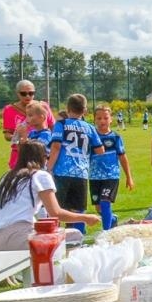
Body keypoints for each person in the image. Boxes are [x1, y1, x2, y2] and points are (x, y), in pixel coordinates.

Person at [0, 142, 99, 251]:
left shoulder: (6, 176)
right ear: (42, 158)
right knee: (74, 235)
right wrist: (86, 218)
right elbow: (56, 213)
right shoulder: (40, 175)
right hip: (18, 237)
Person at [47, 93, 103, 234]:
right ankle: (77, 238)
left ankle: (55, 238)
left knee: (56, 209)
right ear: (85, 110)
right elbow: (100, 150)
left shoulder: (61, 124)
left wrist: (49, 168)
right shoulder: (90, 128)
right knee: (78, 209)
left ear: (67, 109)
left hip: (62, 171)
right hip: (81, 173)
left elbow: (56, 146)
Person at [89, 104, 133, 231]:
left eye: (105, 118)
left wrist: (129, 177)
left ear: (111, 119)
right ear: (94, 119)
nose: (102, 121)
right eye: (99, 118)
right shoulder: (91, 137)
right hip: (94, 176)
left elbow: (122, 157)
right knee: (98, 207)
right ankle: (112, 219)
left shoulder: (115, 137)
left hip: (111, 176)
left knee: (105, 202)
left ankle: (106, 232)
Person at [2, 80, 51, 169]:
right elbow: (7, 135)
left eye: (31, 93)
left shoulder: (43, 106)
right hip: (19, 156)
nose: (28, 96)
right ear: (17, 93)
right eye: (23, 93)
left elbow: (53, 127)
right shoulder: (9, 110)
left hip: (40, 161)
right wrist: (17, 136)